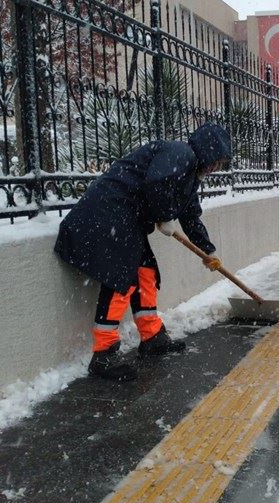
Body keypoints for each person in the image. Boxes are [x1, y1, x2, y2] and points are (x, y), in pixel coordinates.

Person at [55, 124, 232, 382]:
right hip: (110, 210)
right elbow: (156, 181)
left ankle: (152, 337)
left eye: (221, 163)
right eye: (216, 160)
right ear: (206, 151)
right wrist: (163, 215)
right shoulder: (181, 153)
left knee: (144, 271)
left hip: (126, 218)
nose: (216, 167)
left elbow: (191, 215)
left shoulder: (190, 175)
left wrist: (208, 251)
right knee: (122, 277)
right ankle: (103, 354)